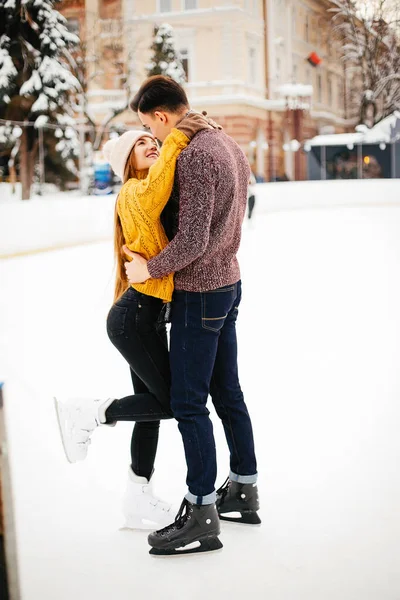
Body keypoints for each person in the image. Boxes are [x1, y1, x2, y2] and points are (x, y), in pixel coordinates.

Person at [54, 113, 213, 530]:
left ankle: (137, 494)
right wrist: (179, 135)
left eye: (153, 141)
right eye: (142, 145)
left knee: (151, 410)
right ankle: (89, 412)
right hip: (133, 319)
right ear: (128, 161)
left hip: (143, 318)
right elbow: (161, 180)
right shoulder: (135, 192)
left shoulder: (144, 193)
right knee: (168, 404)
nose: (153, 146)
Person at [124, 75, 260, 556]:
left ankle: (201, 509)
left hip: (201, 292)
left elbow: (193, 240)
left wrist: (147, 269)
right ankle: (244, 486)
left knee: (187, 403)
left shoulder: (197, 155)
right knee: (227, 390)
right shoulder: (222, 138)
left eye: (149, 128)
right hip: (228, 282)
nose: (154, 139)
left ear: (161, 115)